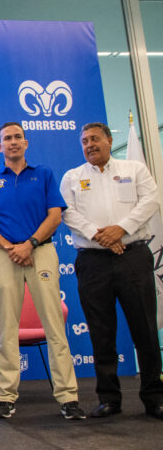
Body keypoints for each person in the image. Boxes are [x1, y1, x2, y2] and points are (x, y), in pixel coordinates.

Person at [0, 123, 84, 420]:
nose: (12, 142)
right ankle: (5, 397)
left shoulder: (44, 174)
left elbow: (55, 215)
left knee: (54, 326)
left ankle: (68, 398)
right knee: (7, 328)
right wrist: (12, 248)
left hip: (42, 252)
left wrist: (30, 244)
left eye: (17, 138)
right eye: (6, 138)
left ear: (26, 143)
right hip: (4, 254)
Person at [60, 122, 163, 419]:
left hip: (133, 256)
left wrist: (121, 229)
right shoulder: (73, 176)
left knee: (144, 328)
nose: (89, 145)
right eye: (84, 141)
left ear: (109, 140)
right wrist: (99, 235)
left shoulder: (134, 169)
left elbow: (151, 201)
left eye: (94, 139)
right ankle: (109, 399)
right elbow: (68, 212)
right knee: (101, 332)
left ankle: (154, 397)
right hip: (93, 261)